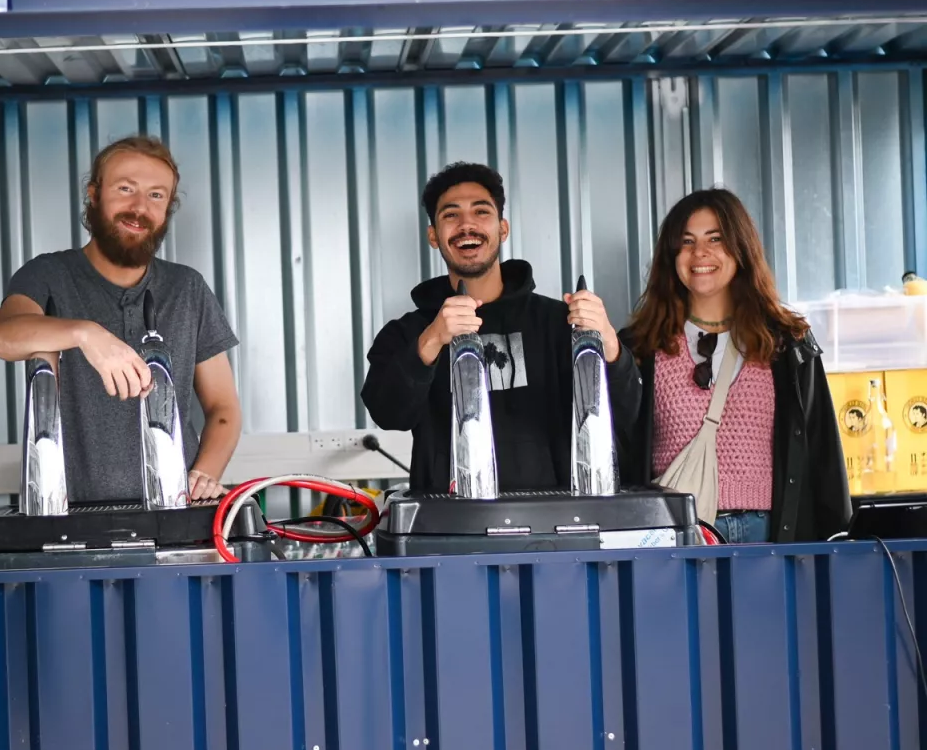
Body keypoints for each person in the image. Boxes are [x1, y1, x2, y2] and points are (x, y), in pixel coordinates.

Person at [0, 135, 242, 503]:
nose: (139, 208)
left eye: (156, 195)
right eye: (125, 189)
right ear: (94, 194)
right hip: (68, 518)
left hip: (174, 511)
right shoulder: (48, 275)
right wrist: (86, 334)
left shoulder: (188, 288)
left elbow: (224, 408)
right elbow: (1, 338)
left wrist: (204, 475)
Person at [590, 188, 849, 543]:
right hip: (675, 534)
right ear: (672, 256)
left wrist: (838, 542)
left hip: (767, 535)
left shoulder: (787, 343)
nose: (700, 253)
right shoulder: (640, 345)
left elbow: (822, 454)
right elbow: (619, 443)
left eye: (716, 239)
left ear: (741, 249)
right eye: (686, 242)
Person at [361, 161, 613, 493]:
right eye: (451, 215)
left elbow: (625, 414)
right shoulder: (409, 332)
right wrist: (432, 339)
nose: (467, 224)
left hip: (551, 524)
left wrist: (609, 341)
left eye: (481, 212)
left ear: (502, 229)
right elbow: (388, 414)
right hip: (447, 529)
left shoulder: (558, 323)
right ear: (433, 236)